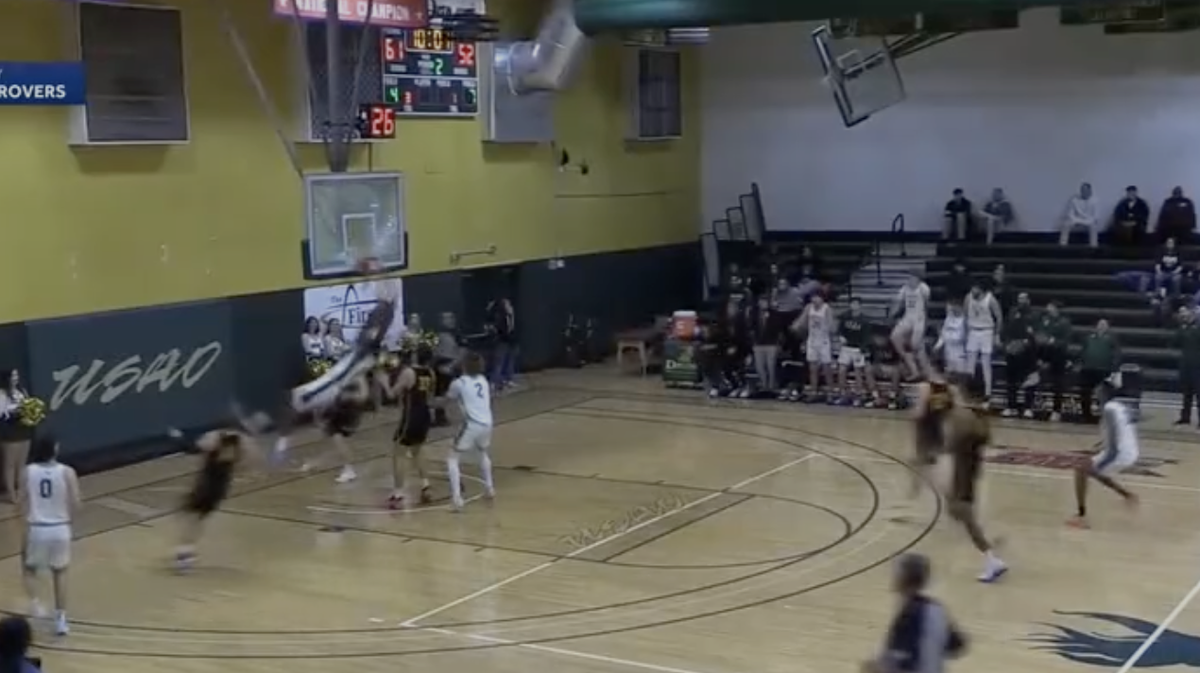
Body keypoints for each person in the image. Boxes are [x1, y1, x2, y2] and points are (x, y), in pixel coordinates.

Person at [171, 418, 262, 570]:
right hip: (220, 488)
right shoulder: (243, 442)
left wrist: (178, 438)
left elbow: (193, 449)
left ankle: (184, 555)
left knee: (192, 518)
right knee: (197, 518)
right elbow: (249, 463)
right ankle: (186, 553)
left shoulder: (213, 437)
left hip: (205, 484)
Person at [862, 554, 967, 673]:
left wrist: (874, 666)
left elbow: (902, 663)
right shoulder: (936, 608)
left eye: (896, 573)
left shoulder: (908, 615)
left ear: (903, 579)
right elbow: (957, 645)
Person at [19, 435, 80, 636]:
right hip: (60, 527)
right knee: (60, 573)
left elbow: (22, 502)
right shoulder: (67, 472)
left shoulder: (27, 471)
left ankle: (36, 604)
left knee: (29, 568)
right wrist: (70, 523)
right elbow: (76, 503)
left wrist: (24, 526)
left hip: (36, 527)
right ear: (55, 449)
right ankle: (61, 619)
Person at [944, 393, 1008, 582]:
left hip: (963, 466)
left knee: (961, 511)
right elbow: (985, 438)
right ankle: (990, 548)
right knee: (955, 509)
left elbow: (953, 441)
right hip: (972, 465)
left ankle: (991, 557)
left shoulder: (963, 415)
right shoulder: (979, 415)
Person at [1068, 379, 1140, 529]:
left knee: (1082, 470)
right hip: (1130, 450)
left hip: (1119, 453)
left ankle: (1082, 517)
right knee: (1092, 470)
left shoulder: (1109, 408)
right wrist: (1101, 447)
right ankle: (1127, 495)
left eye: (1098, 392)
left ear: (1104, 393)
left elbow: (1114, 437)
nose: (1096, 395)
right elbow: (1125, 430)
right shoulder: (1120, 407)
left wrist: (1106, 454)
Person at [445, 352, 497, 511]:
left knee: (452, 459)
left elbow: (447, 399)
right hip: (487, 422)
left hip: (471, 424)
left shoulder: (459, 383)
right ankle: (489, 488)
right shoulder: (484, 380)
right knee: (482, 453)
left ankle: (457, 499)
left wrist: (430, 403)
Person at [389, 346, 436, 508]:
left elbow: (392, 393)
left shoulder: (409, 372)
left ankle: (398, 492)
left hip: (411, 416)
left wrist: (382, 379)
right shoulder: (430, 372)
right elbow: (430, 396)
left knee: (399, 451)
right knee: (418, 449)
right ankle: (425, 485)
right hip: (425, 415)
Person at [302, 374, 368, 483]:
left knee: (338, 440)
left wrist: (347, 395)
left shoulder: (358, 375)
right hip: (335, 410)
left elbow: (363, 396)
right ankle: (315, 462)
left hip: (349, 412)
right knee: (332, 440)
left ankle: (349, 469)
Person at [1033, 301, 1072, 421]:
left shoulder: (1064, 322)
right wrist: (1039, 356)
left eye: (1050, 307)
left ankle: (1057, 410)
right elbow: (1039, 335)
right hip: (1045, 354)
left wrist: (1051, 340)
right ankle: (1039, 407)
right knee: (1040, 382)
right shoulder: (1044, 320)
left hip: (1058, 355)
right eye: (1047, 306)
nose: (1047, 308)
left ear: (1056, 309)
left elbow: (1065, 341)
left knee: (1057, 384)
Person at [964, 281, 1002, 404]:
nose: (973, 291)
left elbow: (999, 316)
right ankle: (968, 390)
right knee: (970, 364)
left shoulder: (990, 299)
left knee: (986, 364)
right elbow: (965, 315)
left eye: (975, 288)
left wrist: (997, 334)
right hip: (973, 331)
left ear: (981, 289)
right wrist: (965, 332)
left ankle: (987, 393)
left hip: (987, 331)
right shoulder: (968, 297)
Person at [794, 292, 835, 401]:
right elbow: (802, 320)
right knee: (813, 369)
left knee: (827, 369)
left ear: (822, 299)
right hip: (812, 341)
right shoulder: (809, 308)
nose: (815, 300)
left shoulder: (826, 309)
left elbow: (832, 326)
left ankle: (831, 392)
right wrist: (796, 326)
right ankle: (813, 392)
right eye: (813, 298)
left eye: (817, 298)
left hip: (824, 341)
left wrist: (829, 327)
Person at [1001, 293, 1036, 418]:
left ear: (1028, 300)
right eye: (1019, 299)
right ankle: (1011, 406)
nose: (1021, 301)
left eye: (1023, 299)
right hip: (1012, 351)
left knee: (1029, 381)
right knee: (1011, 381)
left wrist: (1026, 342)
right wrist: (1007, 344)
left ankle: (1028, 407)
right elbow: (1006, 330)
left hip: (1028, 353)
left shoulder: (1033, 315)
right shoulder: (1012, 313)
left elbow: (1034, 333)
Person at [1078, 319, 1120, 423]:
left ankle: (1105, 416)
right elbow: (1082, 351)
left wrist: (1113, 368)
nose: (1101, 326)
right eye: (1100, 324)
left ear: (1108, 327)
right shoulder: (1089, 337)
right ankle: (1086, 415)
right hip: (1088, 369)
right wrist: (1081, 363)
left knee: (1104, 394)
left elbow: (1117, 354)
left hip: (1104, 370)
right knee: (1084, 392)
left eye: (1104, 324)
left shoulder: (1112, 339)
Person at [890, 275, 931, 381]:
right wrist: (893, 313)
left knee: (915, 345)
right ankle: (911, 364)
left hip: (919, 318)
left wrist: (925, 323)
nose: (910, 281)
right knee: (894, 337)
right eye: (909, 278)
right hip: (908, 317)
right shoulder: (904, 288)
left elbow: (926, 306)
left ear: (918, 279)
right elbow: (898, 303)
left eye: (913, 278)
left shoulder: (924, 288)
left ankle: (923, 371)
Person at [0, 369, 31, 503]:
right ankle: (11, 493)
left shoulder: (21, 392)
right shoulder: (1, 394)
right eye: (13, 376)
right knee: (10, 464)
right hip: (10, 431)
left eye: (17, 375)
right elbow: (2, 414)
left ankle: (21, 491)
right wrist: (15, 412)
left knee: (22, 464)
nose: (16, 378)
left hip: (23, 430)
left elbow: (29, 406)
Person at [836, 298, 872, 405]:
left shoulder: (864, 321)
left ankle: (859, 395)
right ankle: (843, 394)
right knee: (841, 371)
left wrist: (862, 349)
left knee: (858, 373)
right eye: (852, 304)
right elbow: (839, 329)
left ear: (860, 306)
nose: (854, 306)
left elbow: (866, 337)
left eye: (856, 304)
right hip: (846, 348)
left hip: (857, 349)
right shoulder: (845, 316)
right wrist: (841, 336)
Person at [750, 294, 781, 393]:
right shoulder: (754, 313)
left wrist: (778, 343)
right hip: (758, 343)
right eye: (762, 302)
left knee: (770, 366)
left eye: (766, 302)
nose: (764, 304)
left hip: (771, 343)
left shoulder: (774, 314)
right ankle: (764, 385)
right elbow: (751, 327)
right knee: (759, 366)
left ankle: (771, 387)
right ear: (759, 303)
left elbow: (778, 329)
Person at [1175, 306, 1200, 426]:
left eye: (1187, 315)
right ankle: (1185, 418)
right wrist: (1181, 329)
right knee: (1186, 395)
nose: (1185, 317)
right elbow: (1174, 343)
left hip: (1198, 367)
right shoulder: (1183, 329)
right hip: (1186, 366)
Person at [934, 300, 968, 384]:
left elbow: (964, 337)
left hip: (960, 352)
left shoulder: (966, 320)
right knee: (949, 376)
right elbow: (943, 335)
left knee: (960, 376)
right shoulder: (948, 319)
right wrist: (937, 346)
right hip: (948, 351)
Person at [1060, 182, 1100, 247]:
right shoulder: (1074, 200)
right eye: (1082, 190)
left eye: (1086, 190)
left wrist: (1087, 221)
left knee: (1093, 226)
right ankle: (1063, 244)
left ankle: (1094, 245)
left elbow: (1096, 216)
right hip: (1076, 219)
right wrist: (1075, 220)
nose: (1084, 192)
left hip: (1089, 221)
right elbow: (1070, 213)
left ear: (1090, 191)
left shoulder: (1095, 201)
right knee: (1066, 224)